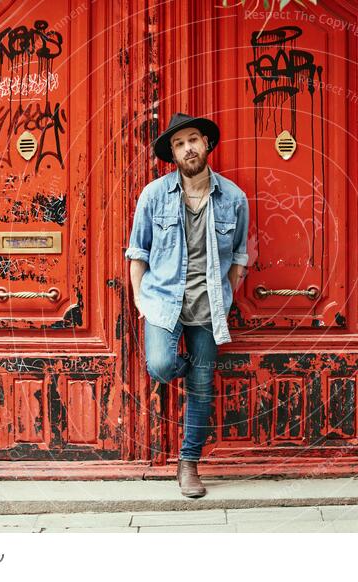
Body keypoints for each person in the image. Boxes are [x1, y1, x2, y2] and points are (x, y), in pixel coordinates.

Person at [124, 112, 250, 498]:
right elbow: (137, 252)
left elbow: (240, 257)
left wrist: (224, 296)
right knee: (161, 366)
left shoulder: (233, 198)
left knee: (201, 388)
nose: (187, 148)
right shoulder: (154, 195)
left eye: (193, 139)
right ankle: (189, 369)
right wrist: (140, 301)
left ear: (207, 144)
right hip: (163, 303)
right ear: (173, 154)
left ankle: (188, 465)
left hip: (209, 307)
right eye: (179, 144)